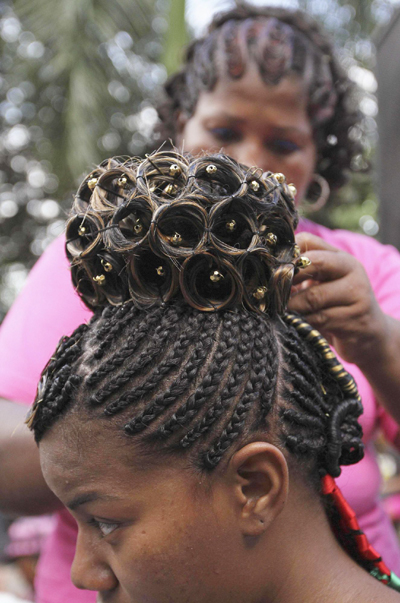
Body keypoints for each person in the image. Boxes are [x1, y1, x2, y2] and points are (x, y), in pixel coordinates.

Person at [1, 5, 400, 602]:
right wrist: (157, 422)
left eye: (285, 142)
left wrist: (376, 339)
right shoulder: (103, 255)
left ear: (320, 158)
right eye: (224, 131)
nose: (251, 159)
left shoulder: (364, 269)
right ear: (182, 126)